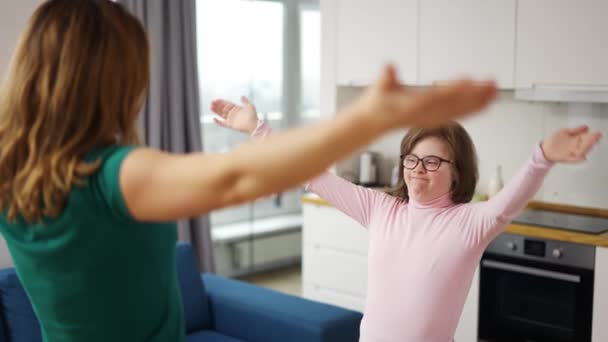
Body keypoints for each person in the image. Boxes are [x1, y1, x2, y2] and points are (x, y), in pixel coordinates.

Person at [0, 0, 499, 341]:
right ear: (114, 82)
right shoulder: (115, 176)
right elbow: (236, 178)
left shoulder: (12, 171)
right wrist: (371, 116)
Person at [210, 96, 602, 342]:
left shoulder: (470, 223)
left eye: (432, 161)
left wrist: (543, 157)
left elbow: (508, 202)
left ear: (457, 170)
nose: (417, 170)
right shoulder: (381, 209)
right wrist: (257, 130)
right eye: (411, 159)